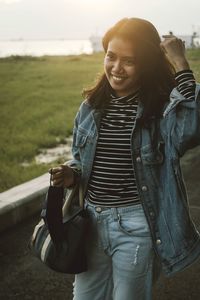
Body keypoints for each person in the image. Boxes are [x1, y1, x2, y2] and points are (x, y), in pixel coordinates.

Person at [50, 18, 200, 300]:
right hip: (91, 223)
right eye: (111, 56)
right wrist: (71, 174)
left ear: (146, 64)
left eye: (129, 61)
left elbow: (193, 126)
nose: (116, 68)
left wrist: (181, 63)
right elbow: (81, 161)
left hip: (137, 225)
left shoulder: (161, 111)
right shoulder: (90, 108)